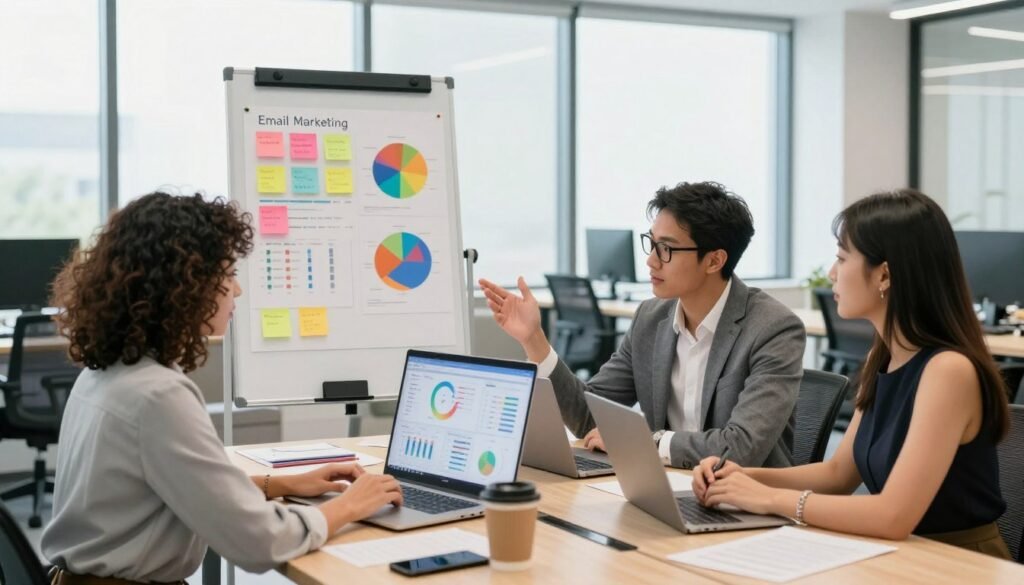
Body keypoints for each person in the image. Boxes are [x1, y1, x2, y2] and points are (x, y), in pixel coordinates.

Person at [41, 192, 403, 584]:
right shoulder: (157, 396)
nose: (237, 290)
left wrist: (279, 484)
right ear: (186, 283)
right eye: (228, 274)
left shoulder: (107, 373)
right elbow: (260, 542)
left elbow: (172, 487)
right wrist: (349, 505)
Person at [693, 189, 1011, 558]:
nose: (831, 273)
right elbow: (840, 475)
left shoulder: (948, 371)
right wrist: (740, 476)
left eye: (842, 258)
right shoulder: (887, 352)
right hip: (904, 553)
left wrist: (769, 499)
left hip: (959, 563)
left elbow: (892, 515)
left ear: (885, 275)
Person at [480, 181, 805, 469]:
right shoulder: (651, 319)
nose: (650, 260)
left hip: (746, 505)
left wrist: (647, 442)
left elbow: (741, 449)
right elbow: (589, 417)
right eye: (651, 244)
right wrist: (534, 339)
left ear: (714, 260)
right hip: (662, 491)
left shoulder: (773, 328)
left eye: (666, 249)